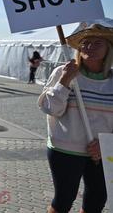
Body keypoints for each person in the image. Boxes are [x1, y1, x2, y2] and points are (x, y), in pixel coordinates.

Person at [38, 23, 113, 213]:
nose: (90, 47)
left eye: (97, 43)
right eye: (86, 43)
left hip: (103, 152)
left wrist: (107, 143)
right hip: (66, 150)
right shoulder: (64, 72)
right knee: (63, 201)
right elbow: (50, 108)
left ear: (108, 49)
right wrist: (64, 80)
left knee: (96, 202)